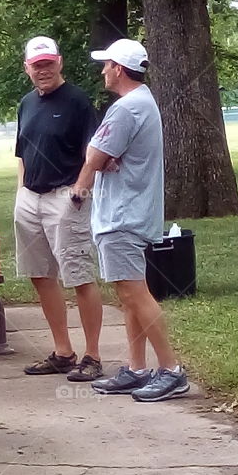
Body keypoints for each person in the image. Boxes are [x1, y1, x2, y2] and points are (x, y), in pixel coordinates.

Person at [71, 38, 189, 402]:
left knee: (132, 292)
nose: (103, 71)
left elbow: (94, 154)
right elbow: (104, 155)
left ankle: (170, 370)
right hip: (134, 210)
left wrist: (83, 181)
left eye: (106, 65)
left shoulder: (125, 109)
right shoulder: (144, 102)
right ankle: (137, 369)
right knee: (130, 293)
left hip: (121, 215)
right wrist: (103, 157)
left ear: (118, 69)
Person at [14, 35, 104, 382]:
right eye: (37, 65)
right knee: (40, 275)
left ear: (60, 62)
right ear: (27, 68)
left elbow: (94, 153)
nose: (43, 70)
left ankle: (93, 355)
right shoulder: (26, 103)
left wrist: (80, 189)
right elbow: (22, 152)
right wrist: (21, 190)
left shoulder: (78, 101)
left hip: (65, 196)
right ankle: (63, 351)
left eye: (48, 64)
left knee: (79, 275)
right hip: (30, 197)